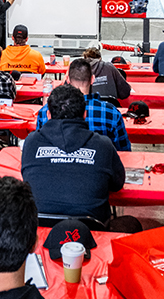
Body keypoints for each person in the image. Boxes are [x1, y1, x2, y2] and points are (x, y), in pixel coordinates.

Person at [23, 85, 126, 224]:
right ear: (85, 114)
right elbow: (117, 184)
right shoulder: (103, 145)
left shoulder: (31, 142)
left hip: (38, 227)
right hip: (91, 229)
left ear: (48, 115)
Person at [36, 58, 131, 151]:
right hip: (100, 160)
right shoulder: (111, 112)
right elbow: (124, 150)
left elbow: (38, 145)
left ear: (67, 79)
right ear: (92, 79)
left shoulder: (46, 111)